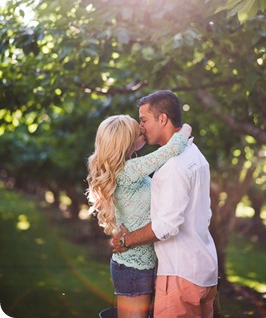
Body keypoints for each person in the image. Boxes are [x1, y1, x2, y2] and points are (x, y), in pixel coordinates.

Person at [113, 90, 218, 318]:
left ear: (162, 119)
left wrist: (124, 240)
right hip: (205, 270)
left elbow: (166, 227)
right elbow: (205, 214)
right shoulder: (196, 155)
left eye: (143, 120)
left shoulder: (173, 167)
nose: (141, 127)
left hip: (180, 276)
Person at [86, 114, 192, 318]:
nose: (144, 130)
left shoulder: (125, 170)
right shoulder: (129, 171)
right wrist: (184, 126)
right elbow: (173, 147)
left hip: (138, 263)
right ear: (128, 141)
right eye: (140, 131)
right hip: (134, 267)